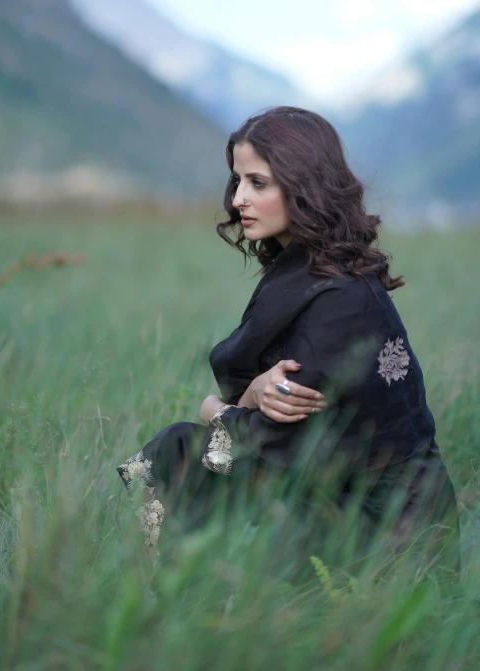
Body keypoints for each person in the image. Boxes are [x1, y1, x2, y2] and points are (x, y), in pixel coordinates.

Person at [117, 106, 460, 581]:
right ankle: (162, 594)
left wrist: (213, 407)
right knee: (181, 452)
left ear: (304, 186)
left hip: (386, 526)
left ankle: (174, 596)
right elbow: (275, 415)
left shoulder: (340, 298)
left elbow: (288, 439)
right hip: (328, 486)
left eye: (258, 183)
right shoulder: (308, 271)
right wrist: (253, 394)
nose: (238, 199)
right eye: (237, 181)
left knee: (189, 445)